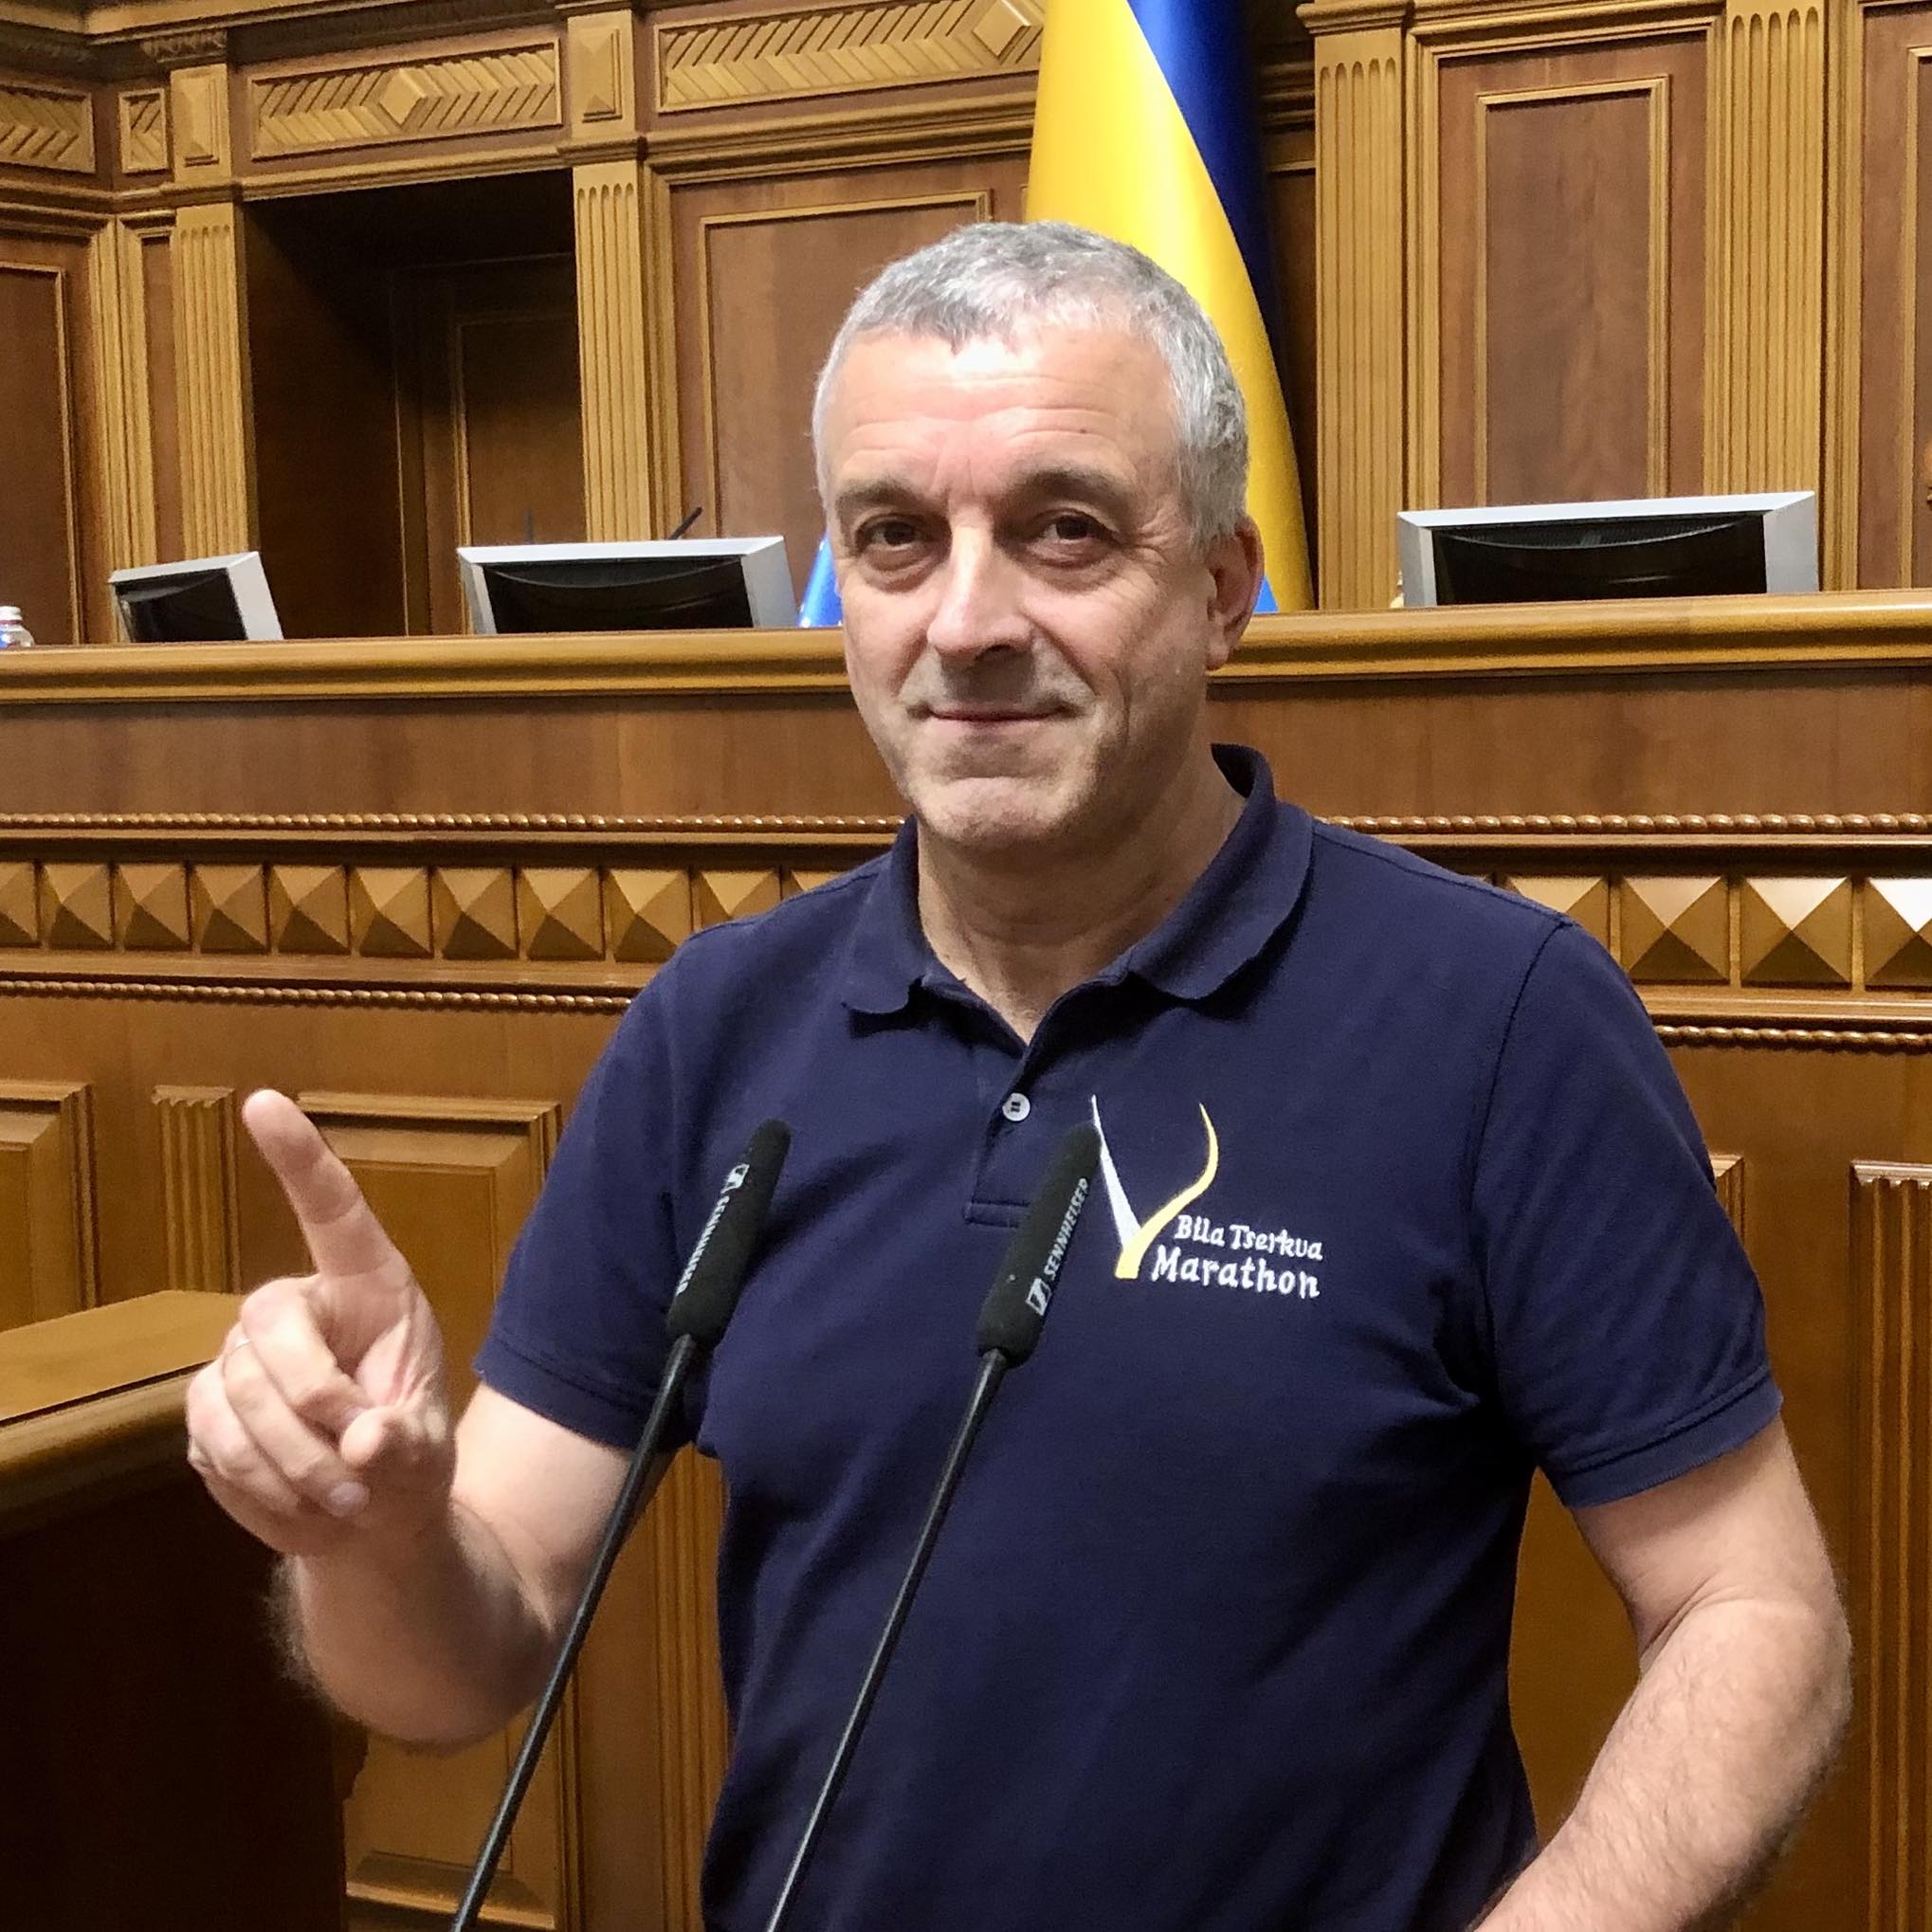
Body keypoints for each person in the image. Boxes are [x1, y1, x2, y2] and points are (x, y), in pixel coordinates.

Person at [186, 222, 1850, 1931]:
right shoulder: (715, 1026)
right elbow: (457, 1664)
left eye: (1064, 529)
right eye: (893, 538)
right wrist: (372, 1531)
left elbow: (1751, 1612)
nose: (966, 621)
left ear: (1223, 587)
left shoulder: (1496, 1015)